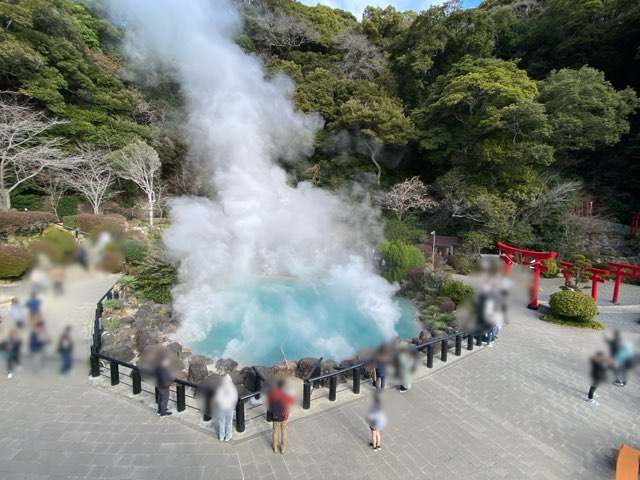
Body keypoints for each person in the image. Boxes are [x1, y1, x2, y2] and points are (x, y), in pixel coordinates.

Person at [268, 378, 295, 454]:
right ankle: (283, 448)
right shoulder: (286, 395)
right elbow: (292, 402)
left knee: (275, 431)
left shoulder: (273, 393)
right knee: (284, 430)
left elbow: (269, 402)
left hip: (276, 415)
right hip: (284, 416)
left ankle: (275, 447)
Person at [215, 374, 238, 442]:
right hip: (229, 407)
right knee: (229, 422)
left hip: (221, 407)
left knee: (221, 421)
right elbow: (234, 398)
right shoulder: (232, 389)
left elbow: (217, 398)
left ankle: (221, 436)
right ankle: (228, 436)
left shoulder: (220, 388)